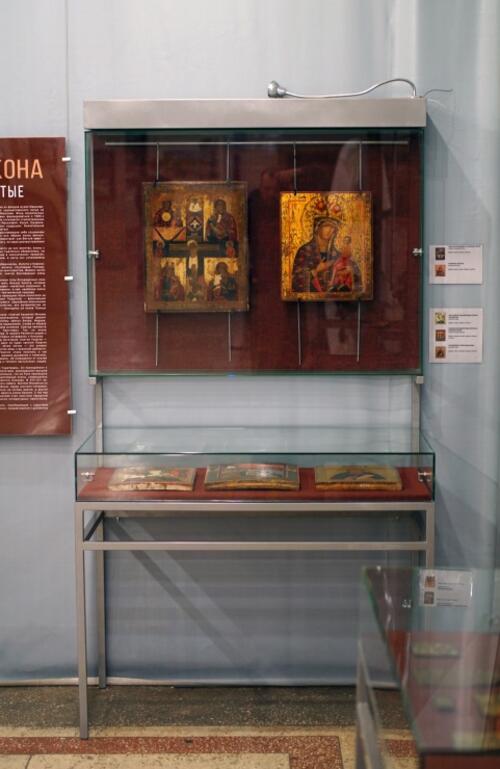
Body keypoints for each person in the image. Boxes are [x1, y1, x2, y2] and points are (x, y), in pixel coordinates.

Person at [291, 215, 340, 293]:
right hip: (311, 299)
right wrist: (316, 270)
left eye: (333, 227)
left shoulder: (337, 255)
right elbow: (295, 279)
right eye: (326, 226)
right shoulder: (305, 251)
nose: (330, 230)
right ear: (317, 228)